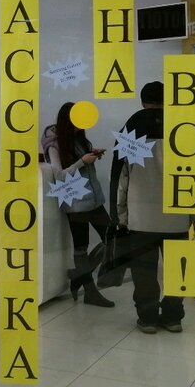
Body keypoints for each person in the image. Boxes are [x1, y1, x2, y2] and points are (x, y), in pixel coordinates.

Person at [108, 81, 189, 333]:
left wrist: (119, 215)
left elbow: (121, 177)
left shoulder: (131, 126)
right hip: (178, 214)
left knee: (144, 271)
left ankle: (148, 317)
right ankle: (173, 317)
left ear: (142, 101)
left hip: (141, 215)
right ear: (167, 99)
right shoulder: (182, 125)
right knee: (177, 269)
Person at [43, 102, 114, 308]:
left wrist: (92, 154)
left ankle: (78, 275)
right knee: (81, 247)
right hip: (75, 203)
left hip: (94, 200)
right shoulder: (54, 145)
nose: (80, 126)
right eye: (77, 122)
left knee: (113, 238)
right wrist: (83, 161)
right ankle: (90, 291)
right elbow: (59, 176)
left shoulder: (80, 139)